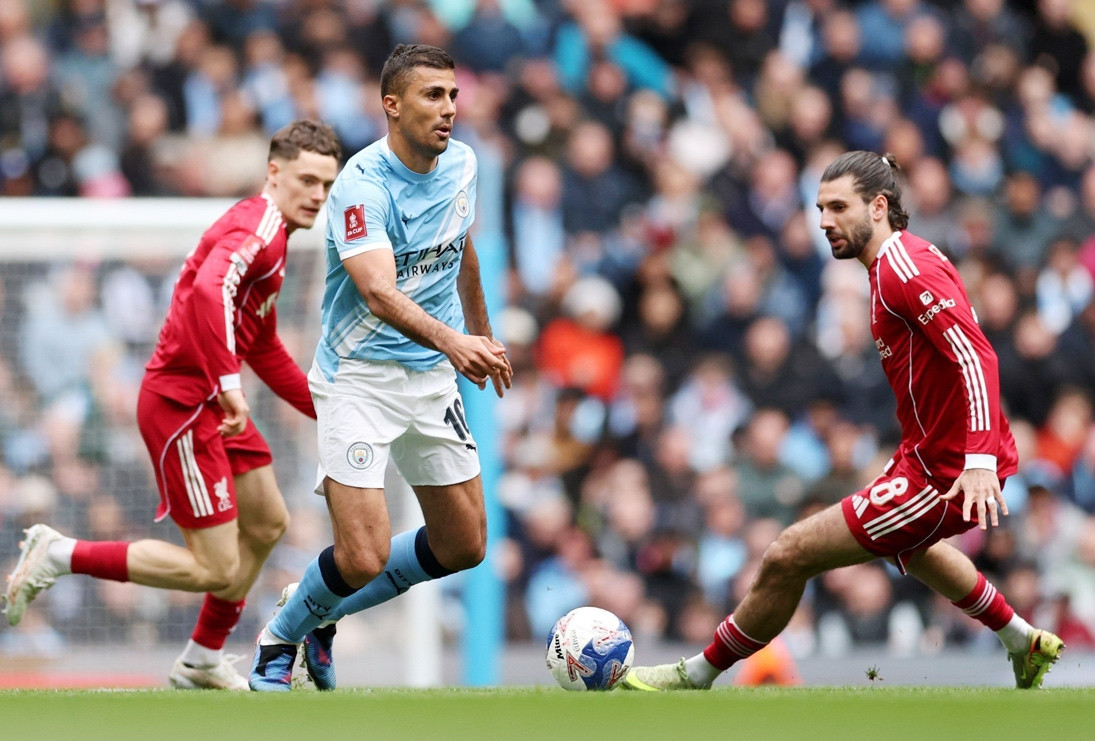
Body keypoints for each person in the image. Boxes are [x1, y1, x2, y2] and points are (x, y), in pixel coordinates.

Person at [621, 151, 1065, 692]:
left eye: (837, 207)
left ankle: (695, 675)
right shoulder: (892, 266)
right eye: (819, 208)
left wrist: (977, 461)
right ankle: (1023, 641)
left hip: (948, 466)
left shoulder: (905, 269)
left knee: (787, 554)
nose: (824, 221)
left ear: (878, 207)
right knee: (912, 550)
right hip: (926, 452)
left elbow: (975, 356)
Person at [3, 119, 343, 690]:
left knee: (267, 523)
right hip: (182, 406)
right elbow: (212, 291)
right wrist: (230, 384)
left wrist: (328, 408)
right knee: (215, 566)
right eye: (307, 180)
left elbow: (263, 346)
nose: (318, 195)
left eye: (327, 185)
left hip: (213, 401)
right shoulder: (256, 227)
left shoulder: (276, 239)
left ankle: (201, 659)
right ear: (274, 173)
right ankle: (59, 554)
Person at [247, 44, 512, 692]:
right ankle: (281, 632)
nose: (448, 108)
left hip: (430, 374)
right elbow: (377, 290)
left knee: (463, 545)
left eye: (452, 95)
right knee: (361, 555)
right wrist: (456, 341)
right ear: (391, 106)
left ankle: (320, 615)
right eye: (432, 96)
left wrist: (481, 331)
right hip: (359, 377)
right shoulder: (360, 186)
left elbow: (461, 244)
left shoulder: (464, 164)